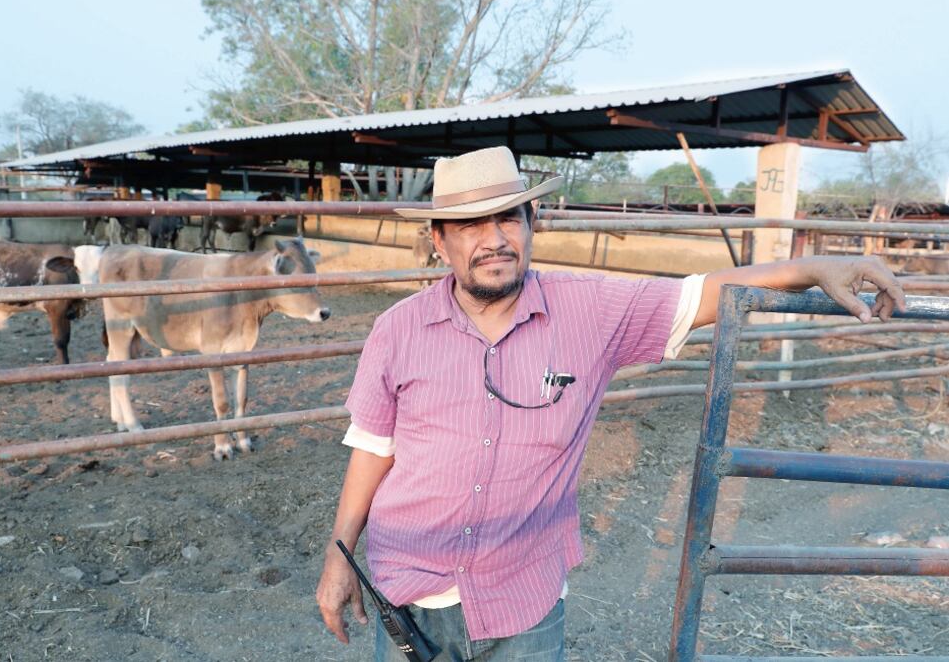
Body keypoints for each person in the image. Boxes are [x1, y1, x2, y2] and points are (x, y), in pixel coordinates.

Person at [316, 146, 906, 661]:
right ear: (438, 240)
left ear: (533, 221)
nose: (493, 240)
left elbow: (701, 293)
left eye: (507, 219)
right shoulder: (396, 330)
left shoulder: (590, 312)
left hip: (526, 596)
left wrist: (815, 266)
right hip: (410, 595)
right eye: (470, 225)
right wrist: (339, 557)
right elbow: (373, 449)